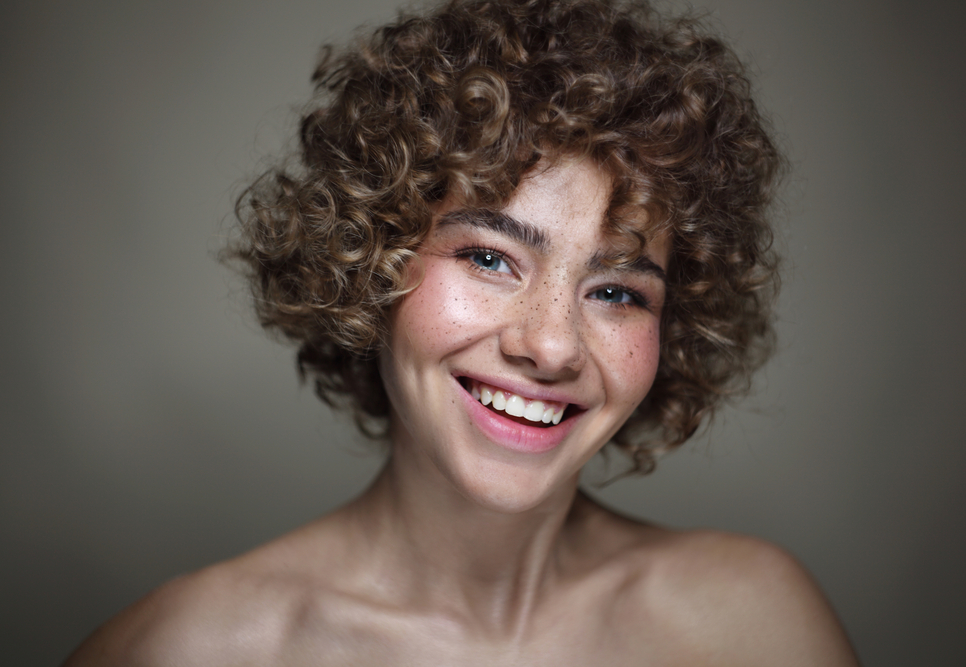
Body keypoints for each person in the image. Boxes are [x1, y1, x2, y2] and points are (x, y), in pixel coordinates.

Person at [65, 0, 859, 664]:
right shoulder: (188, 650)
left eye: (616, 290)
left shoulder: (756, 627)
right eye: (488, 257)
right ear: (371, 260)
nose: (551, 345)